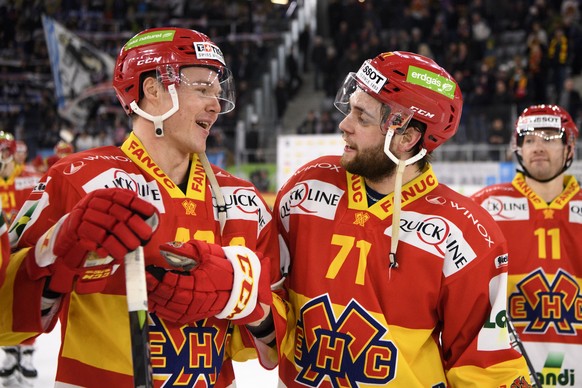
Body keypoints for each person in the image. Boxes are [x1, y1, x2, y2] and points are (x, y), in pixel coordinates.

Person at [0, 27, 285, 387]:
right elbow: (3, 319)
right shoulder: (76, 179)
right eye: (201, 88)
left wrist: (244, 296)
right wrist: (53, 250)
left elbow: (278, 347)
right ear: (152, 90)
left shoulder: (243, 201)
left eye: (217, 89)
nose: (215, 103)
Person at [273, 51, 531, 386]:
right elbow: (269, 295)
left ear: (406, 138)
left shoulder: (464, 233)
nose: (343, 125)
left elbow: (486, 365)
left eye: (362, 118)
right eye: (349, 107)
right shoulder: (307, 187)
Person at [471, 104, 582, 386]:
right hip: (507, 369)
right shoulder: (485, 206)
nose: (537, 146)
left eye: (548, 138)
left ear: (569, 148)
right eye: (529, 139)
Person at [0, 132, 42, 385]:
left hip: (22, 248)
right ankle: (8, 352)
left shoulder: (29, 179)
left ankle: (27, 352)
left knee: (26, 300)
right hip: (1, 251)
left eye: (5, 151)